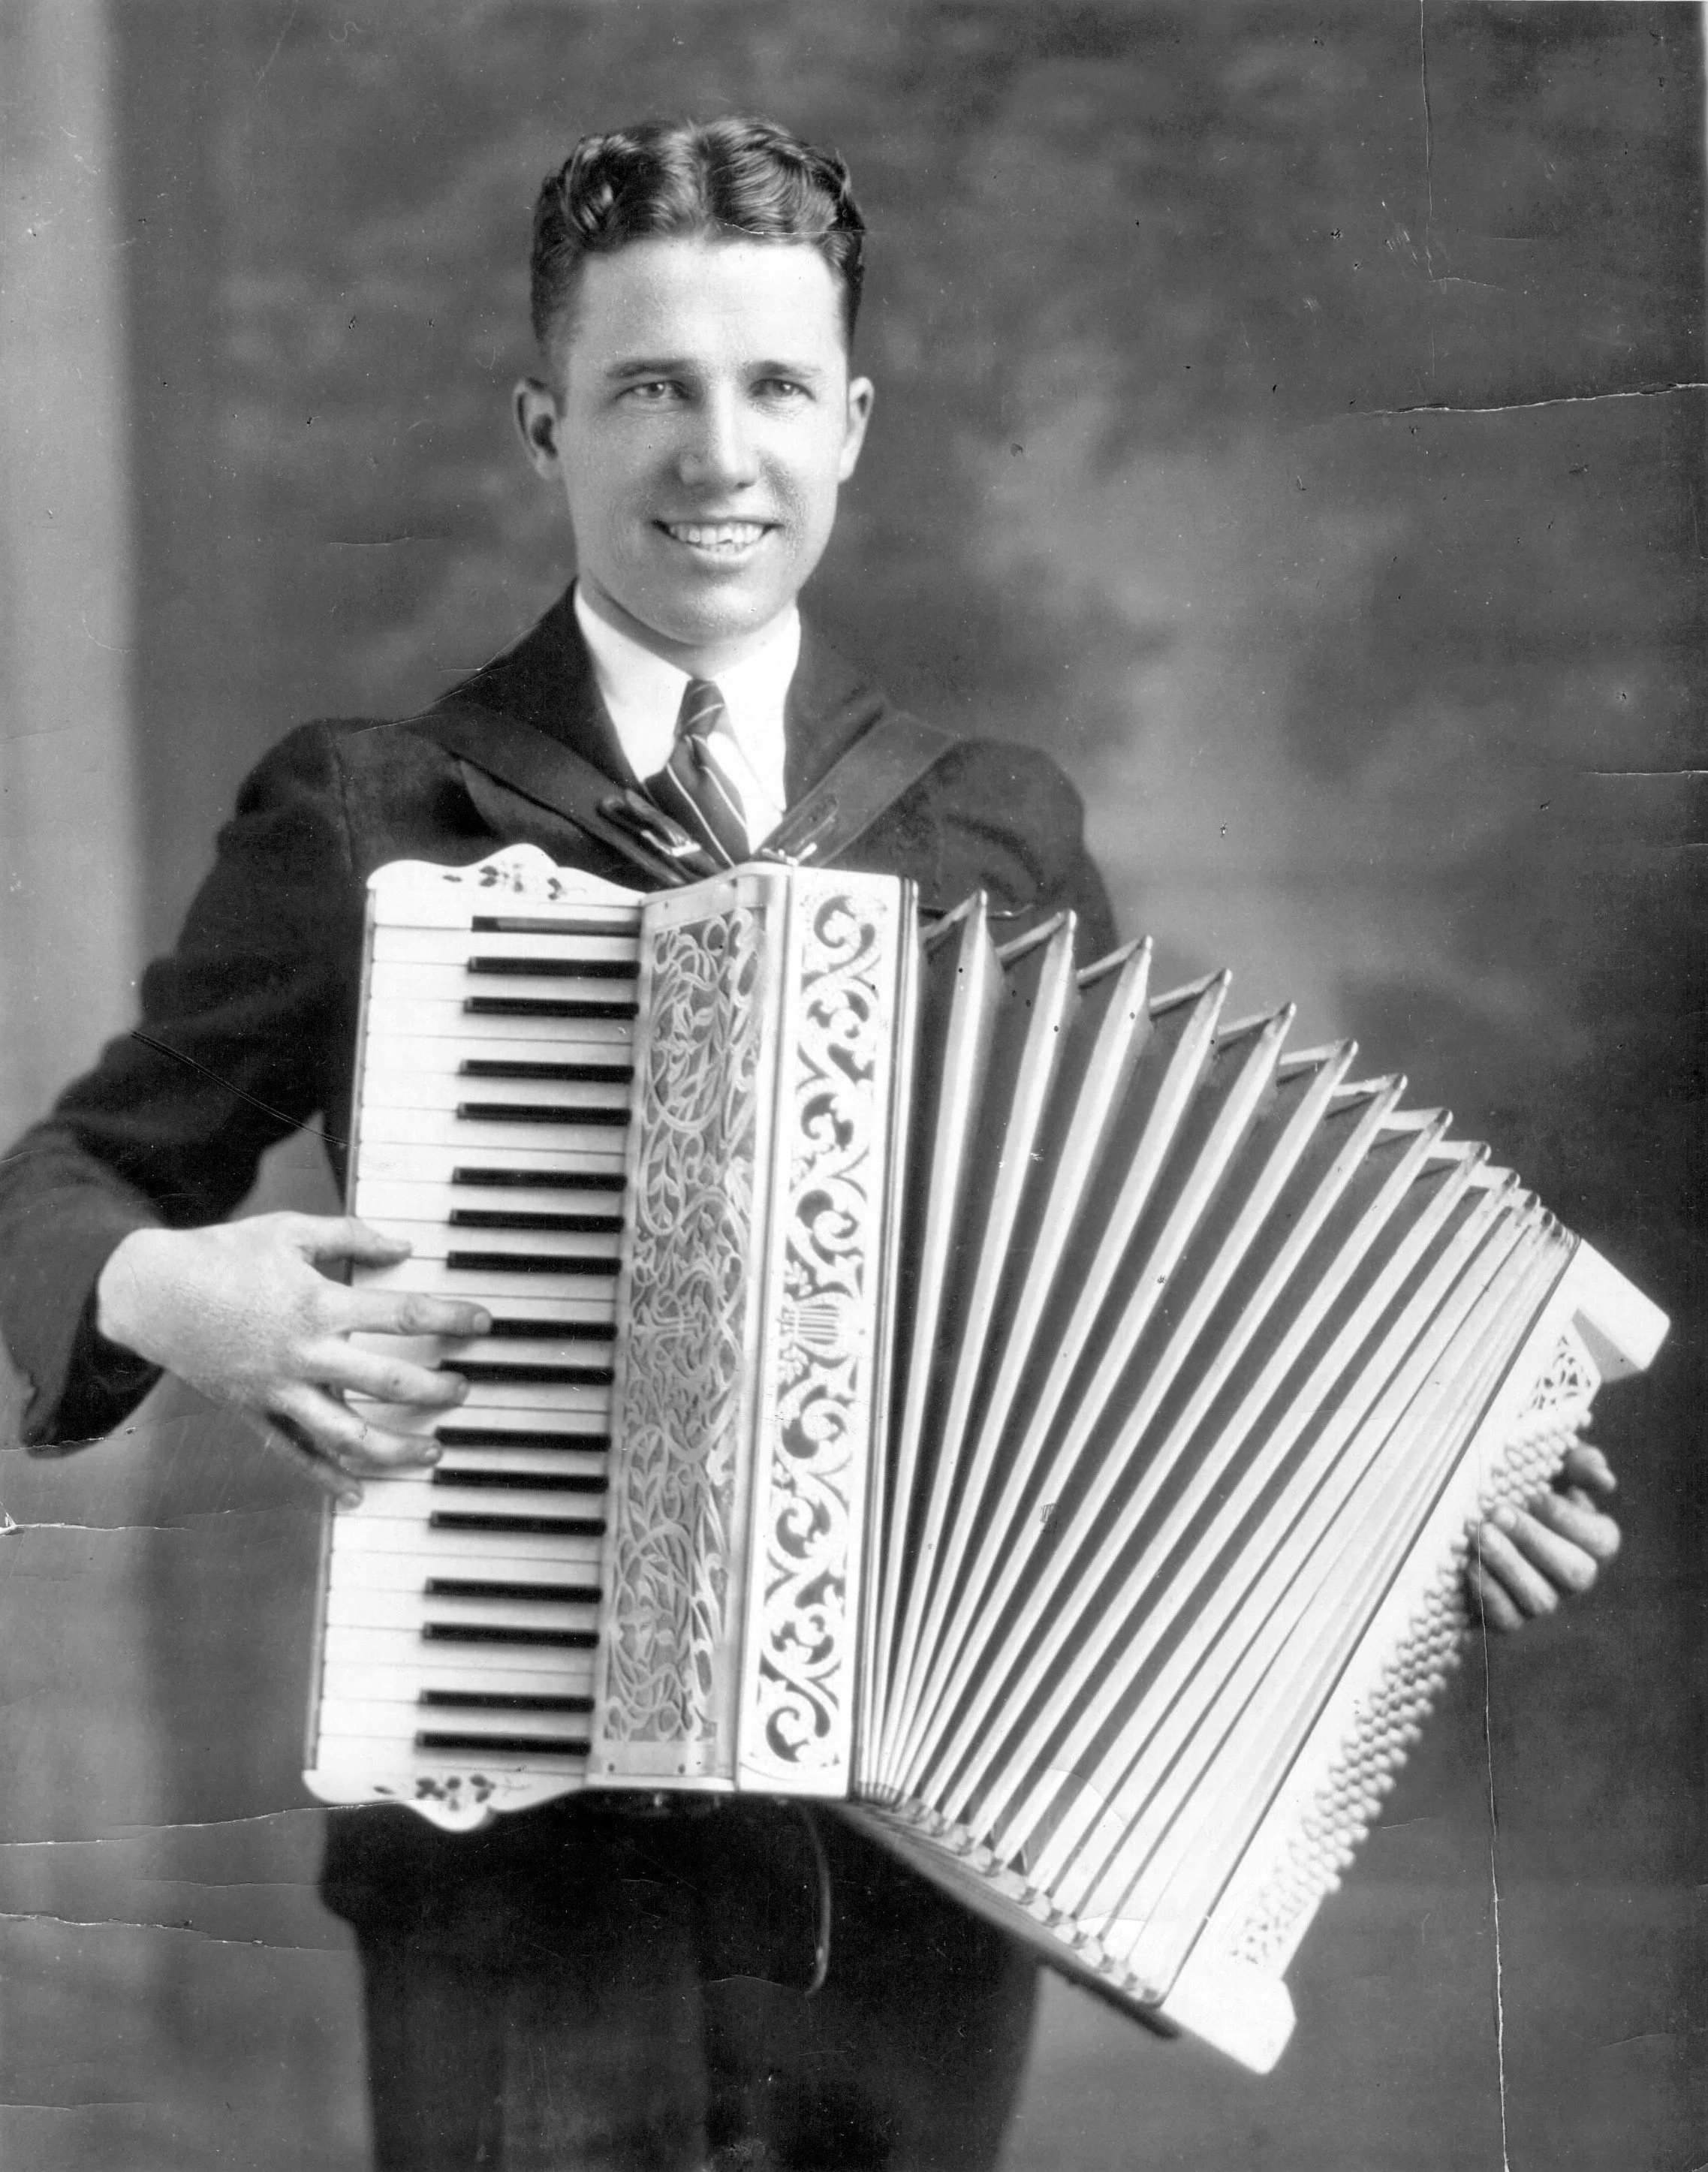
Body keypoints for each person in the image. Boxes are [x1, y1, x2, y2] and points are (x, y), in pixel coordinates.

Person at [0, 116, 1622, 2170]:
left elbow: (1122, 1348)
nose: (715, 455)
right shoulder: (376, 816)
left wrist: (1419, 1520)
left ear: (852, 426)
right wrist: (177, 1287)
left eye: (772, 388)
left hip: (904, 1909)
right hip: (516, 1882)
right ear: (543, 421)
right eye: (647, 387)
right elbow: (59, 1190)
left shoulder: (987, 837)